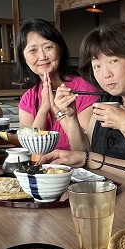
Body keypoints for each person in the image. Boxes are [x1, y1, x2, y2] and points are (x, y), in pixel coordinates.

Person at [40, 21, 125, 171]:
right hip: (104, 188)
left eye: (113, 61)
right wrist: (71, 117)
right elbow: (85, 150)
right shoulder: (108, 99)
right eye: (97, 66)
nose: (106, 74)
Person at [15, 19, 99, 151]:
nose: (42, 56)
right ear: (23, 57)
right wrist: (44, 108)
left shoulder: (84, 90)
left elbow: (86, 148)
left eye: (48, 47)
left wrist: (56, 109)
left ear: (60, 49)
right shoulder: (28, 98)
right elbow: (29, 150)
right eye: (33, 50)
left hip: (78, 169)